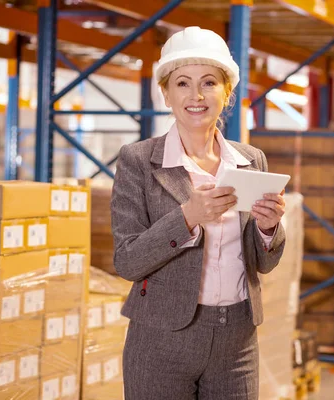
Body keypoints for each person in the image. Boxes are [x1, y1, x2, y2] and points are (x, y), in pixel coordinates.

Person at [110, 26, 287, 399]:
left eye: (209, 82)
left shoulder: (251, 161)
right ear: (166, 93)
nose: (196, 95)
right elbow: (127, 261)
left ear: (227, 93)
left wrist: (269, 229)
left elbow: (263, 263)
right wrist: (187, 216)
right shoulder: (139, 161)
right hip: (161, 340)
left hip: (236, 341)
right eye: (183, 83)